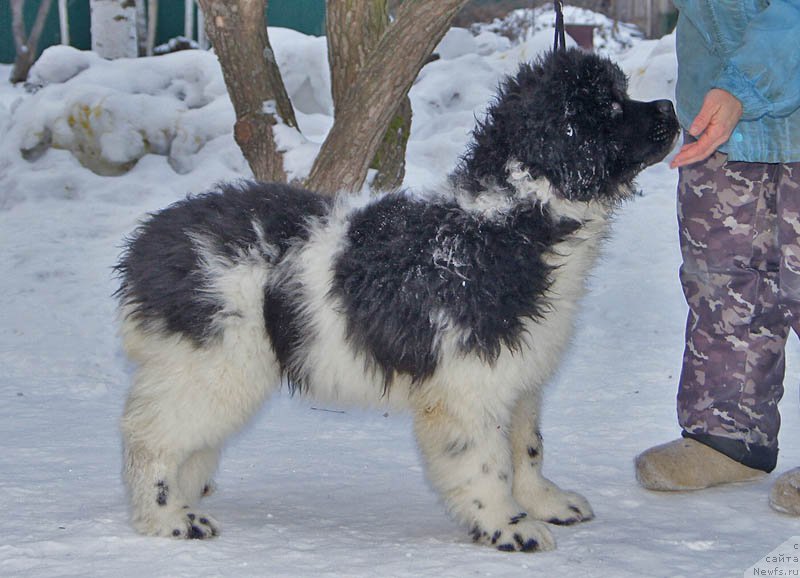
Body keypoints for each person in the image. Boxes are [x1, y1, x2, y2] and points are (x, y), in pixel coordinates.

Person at [634, 0, 800, 514]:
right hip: (716, 114)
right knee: (723, 284)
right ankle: (729, 437)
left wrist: (744, 87)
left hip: (746, 96)